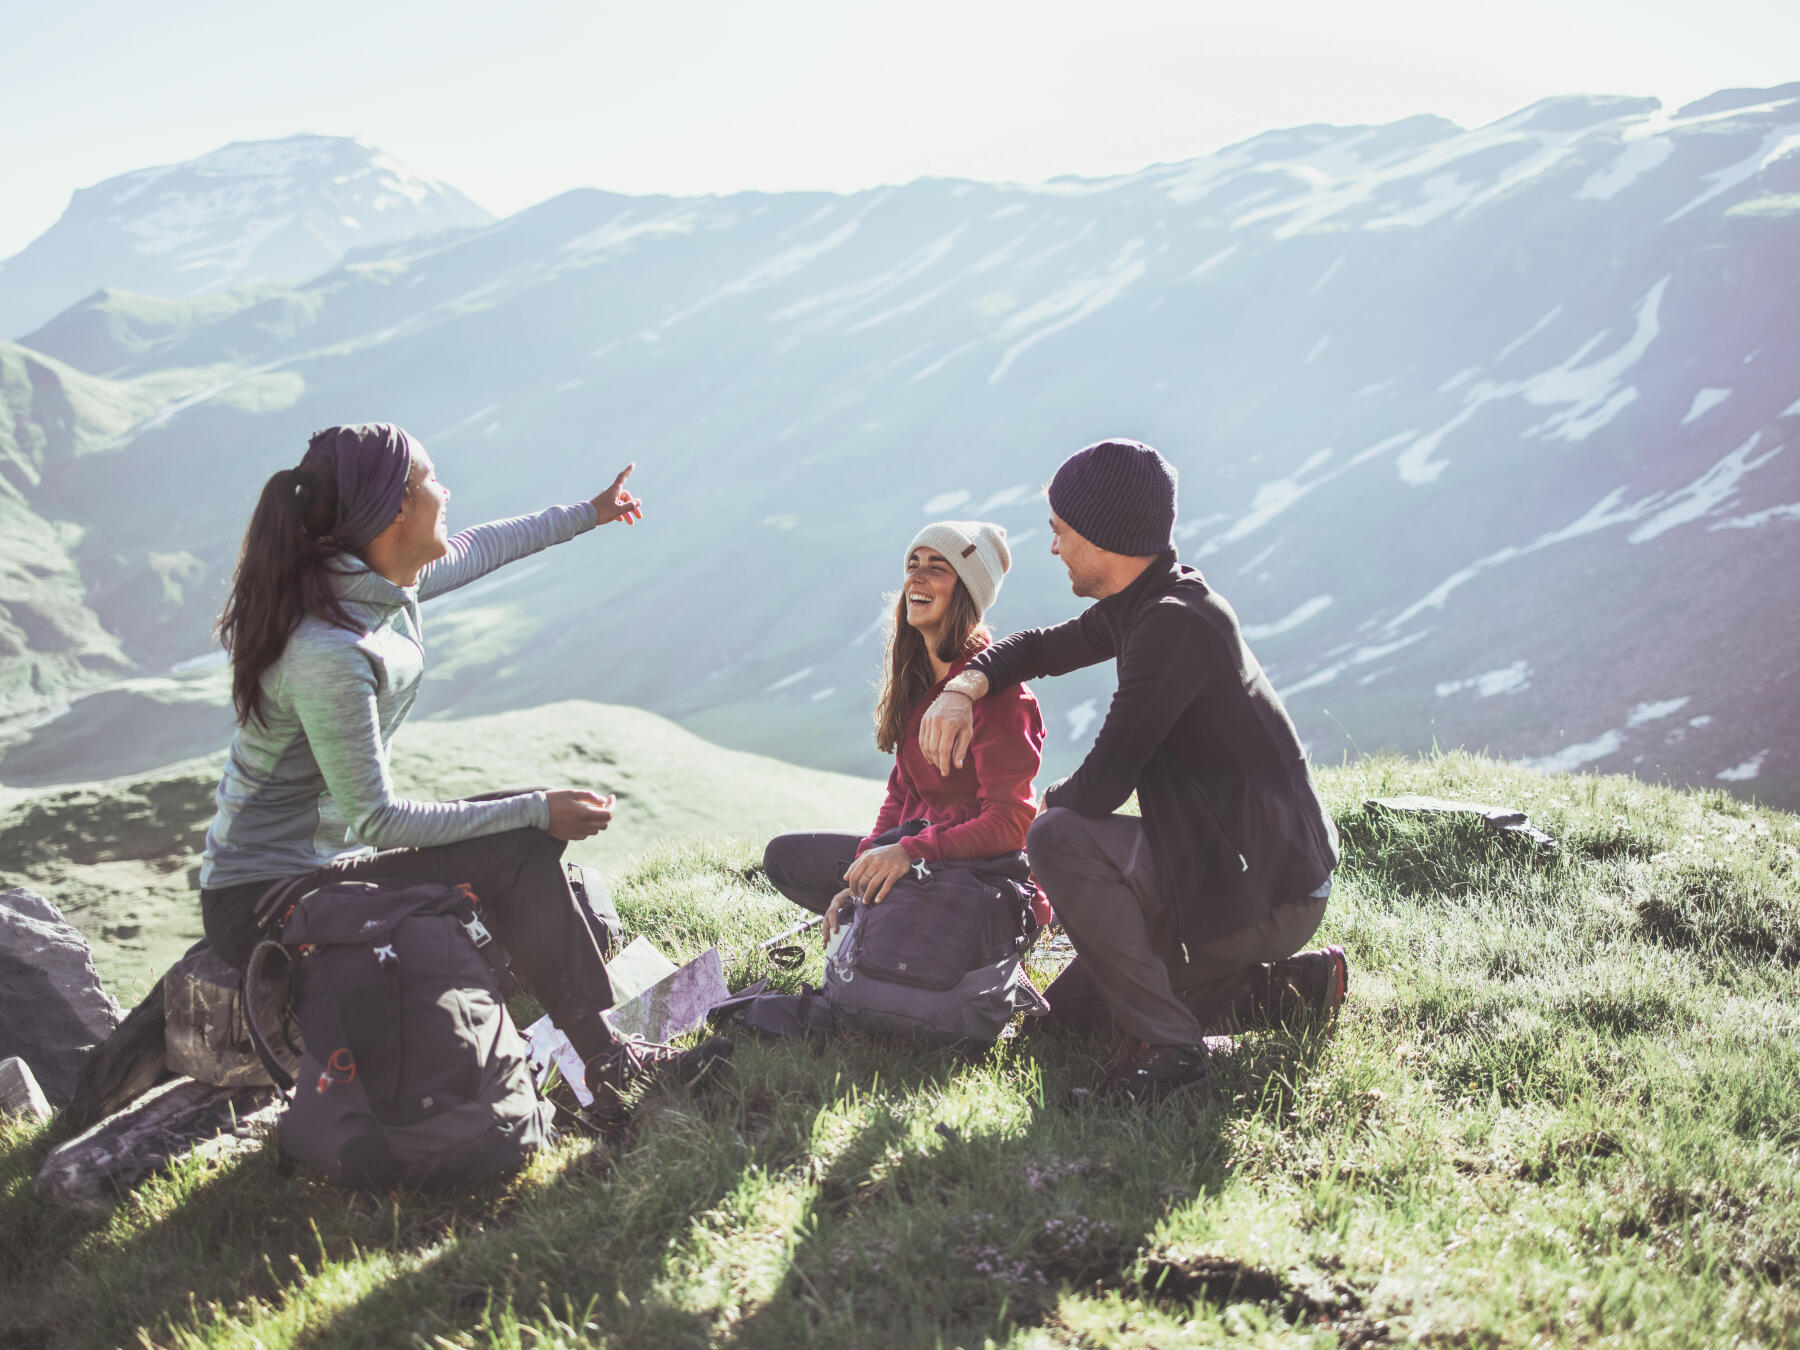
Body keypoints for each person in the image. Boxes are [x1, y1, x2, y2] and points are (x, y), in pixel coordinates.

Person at [198, 422, 729, 1110]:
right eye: (431, 481)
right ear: (395, 510)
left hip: (315, 867)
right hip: (266, 900)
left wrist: (589, 513)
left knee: (523, 837)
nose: (445, 491)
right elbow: (377, 819)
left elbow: (482, 545)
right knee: (517, 841)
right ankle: (611, 1062)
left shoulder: (370, 584)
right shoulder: (330, 649)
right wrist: (540, 809)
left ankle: (604, 1048)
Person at [918, 439, 1344, 1104]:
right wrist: (965, 685)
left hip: (1263, 890)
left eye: (1060, 531)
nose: (1054, 547)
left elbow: (1100, 789)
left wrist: (1044, 834)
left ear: (1102, 537)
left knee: (1056, 836)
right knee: (1063, 1029)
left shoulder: (1173, 626)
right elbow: (1041, 648)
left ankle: (1171, 1058)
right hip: (1234, 865)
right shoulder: (1148, 601)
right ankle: (1292, 991)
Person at [762, 520, 1045, 940]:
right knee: (784, 857)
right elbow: (901, 794)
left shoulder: (1000, 695)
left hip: (977, 876)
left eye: (938, 567)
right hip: (918, 854)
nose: (917, 576)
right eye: (914, 563)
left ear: (967, 592)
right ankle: (882, 916)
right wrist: (862, 868)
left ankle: (920, 930)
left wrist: (911, 853)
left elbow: (1011, 824)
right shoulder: (921, 685)